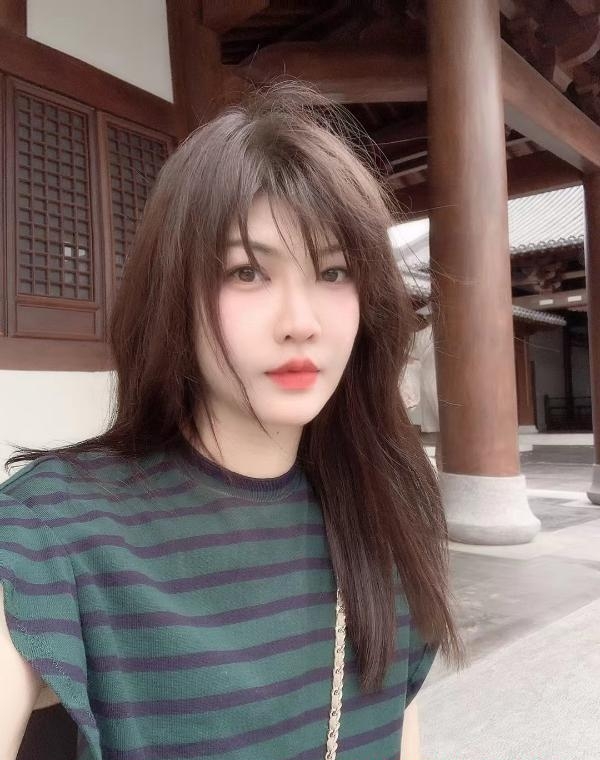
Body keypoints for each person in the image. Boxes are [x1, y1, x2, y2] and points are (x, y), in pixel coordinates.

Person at [0, 80, 467, 760]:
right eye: (248, 272)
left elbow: (398, 733)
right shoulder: (56, 529)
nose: (300, 323)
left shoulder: (384, 511)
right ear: (174, 292)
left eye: (334, 272)